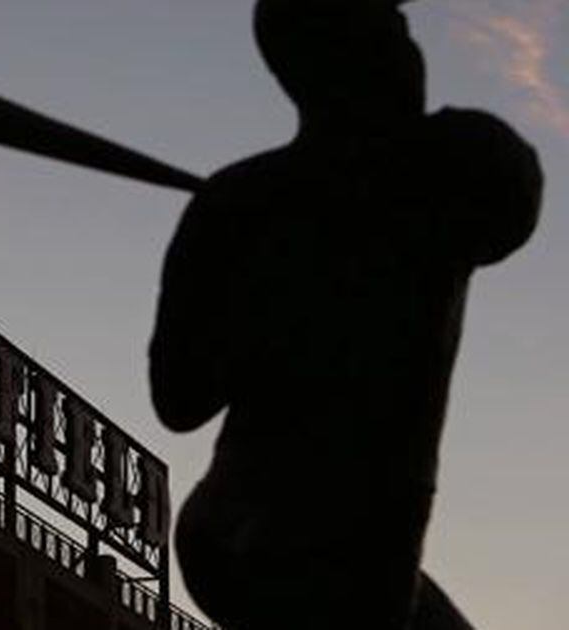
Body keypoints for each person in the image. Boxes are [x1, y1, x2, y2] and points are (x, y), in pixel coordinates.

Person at [147, 1, 542, 628]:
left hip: (361, 541)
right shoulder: (242, 205)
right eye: (391, 32)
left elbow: (510, 190)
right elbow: (178, 399)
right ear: (338, 60)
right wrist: (272, 312)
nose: (412, 53)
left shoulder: (444, 170)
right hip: (253, 534)